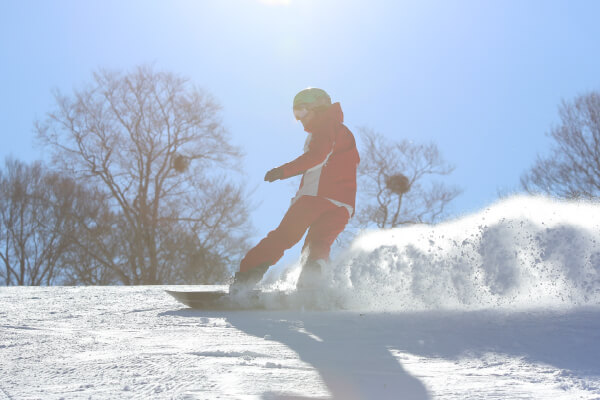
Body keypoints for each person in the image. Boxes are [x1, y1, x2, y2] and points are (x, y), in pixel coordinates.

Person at [231, 88, 360, 293]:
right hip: (343, 206)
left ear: (317, 108)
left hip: (315, 198)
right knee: (317, 244)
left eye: (301, 113)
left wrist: (283, 171)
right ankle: (312, 288)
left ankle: (244, 281)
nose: (299, 120)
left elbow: (317, 156)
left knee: (283, 237)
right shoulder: (343, 132)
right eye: (295, 116)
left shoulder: (325, 126)